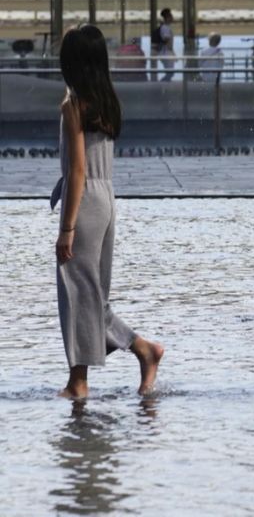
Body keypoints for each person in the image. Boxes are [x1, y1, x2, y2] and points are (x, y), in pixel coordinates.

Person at [51, 24, 164, 399]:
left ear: (73, 61)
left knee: (76, 294)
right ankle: (86, 376)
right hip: (106, 199)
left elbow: (79, 169)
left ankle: (96, 373)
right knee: (91, 294)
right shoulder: (106, 99)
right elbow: (89, 165)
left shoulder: (72, 104)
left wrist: (66, 228)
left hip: (83, 203)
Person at [154, 8, 176, 82]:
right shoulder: (165, 28)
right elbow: (166, 40)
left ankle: (165, 86)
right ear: (167, 17)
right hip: (166, 54)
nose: (172, 18)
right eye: (171, 16)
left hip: (167, 53)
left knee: (170, 73)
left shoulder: (166, 27)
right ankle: (161, 85)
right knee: (170, 73)